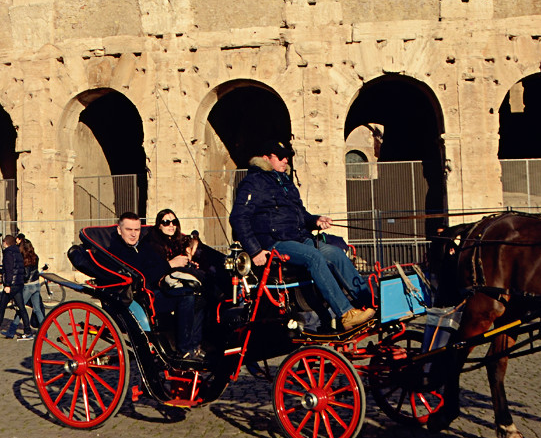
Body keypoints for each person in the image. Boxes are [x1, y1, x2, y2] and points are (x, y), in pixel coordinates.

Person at [230, 140, 376, 331]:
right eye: (280, 157)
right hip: (275, 242)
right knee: (314, 257)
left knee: (336, 253)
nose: (285, 160)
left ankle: (367, 304)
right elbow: (238, 217)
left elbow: (300, 214)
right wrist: (255, 250)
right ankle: (346, 314)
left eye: (286, 157)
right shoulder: (254, 182)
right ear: (265, 158)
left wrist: (315, 220)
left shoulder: (286, 183)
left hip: (298, 238)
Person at [106, 212, 206, 362]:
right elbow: (141, 277)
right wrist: (169, 265)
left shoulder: (143, 247)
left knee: (199, 296)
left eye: (137, 230)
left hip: (155, 290)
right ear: (120, 230)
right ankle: (184, 350)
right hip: (138, 298)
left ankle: (194, 346)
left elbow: (157, 265)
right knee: (187, 297)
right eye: (129, 230)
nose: (133, 234)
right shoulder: (117, 251)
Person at [0, 233, 34, 340]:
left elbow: (9, 270)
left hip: (11, 285)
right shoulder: (17, 252)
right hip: (18, 284)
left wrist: (8, 285)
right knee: (21, 308)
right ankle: (28, 331)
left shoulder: (8, 253)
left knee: (1, 309)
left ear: (6, 243)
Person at [18, 235, 45, 328]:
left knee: (20, 308)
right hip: (36, 284)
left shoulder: (24, 259)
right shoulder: (35, 257)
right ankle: (44, 331)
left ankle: (11, 330)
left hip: (28, 286)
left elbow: (26, 275)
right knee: (37, 309)